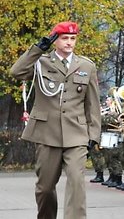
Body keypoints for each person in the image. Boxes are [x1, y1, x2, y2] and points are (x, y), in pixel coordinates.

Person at [10, 21, 101, 219]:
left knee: (77, 182)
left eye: (73, 38)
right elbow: (16, 72)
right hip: (46, 133)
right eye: (65, 38)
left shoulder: (86, 66)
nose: (69, 43)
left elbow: (92, 104)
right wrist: (37, 49)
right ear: (55, 40)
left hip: (76, 134)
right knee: (45, 188)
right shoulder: (41, 62)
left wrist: (94, 134)